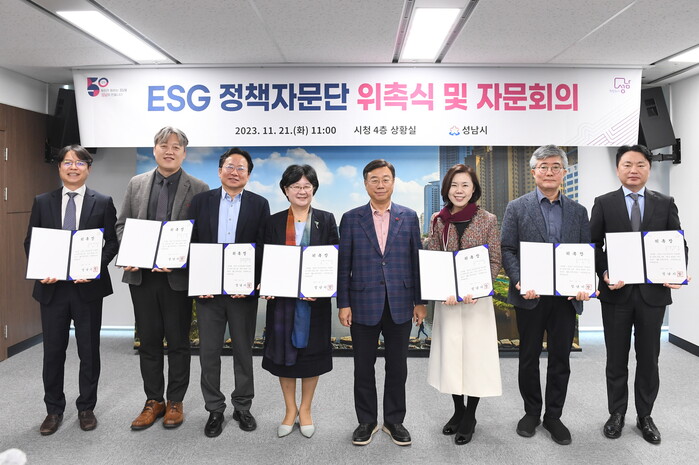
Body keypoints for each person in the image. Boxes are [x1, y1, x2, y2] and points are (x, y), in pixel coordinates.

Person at [590, 144, 688, 445]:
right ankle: (616, 413)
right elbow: (593, 245)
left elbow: (677, 242)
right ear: (618, 169)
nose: (634, 170)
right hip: (616, 294)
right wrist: (604, 272)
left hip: (652, 295)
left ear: (649, 168)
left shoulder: (665, 203)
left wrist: (677, 271)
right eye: (628, 164)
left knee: (649, 359)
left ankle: (645, 415)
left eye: (640, 164)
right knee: (616, 358)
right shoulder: (604, 203)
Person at [116, 127, 209, 430]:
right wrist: (131, 251)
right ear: (154, 149)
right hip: (141, 277)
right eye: (164, 145)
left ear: (184, 153)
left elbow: (202, 234)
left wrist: (181, 259)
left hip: (177, 279)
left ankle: (175, 401)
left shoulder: (199, 187)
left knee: (179, 342)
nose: (170, 151)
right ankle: (153, 400)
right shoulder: (136, 183)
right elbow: (121, 225)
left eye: (176, 146)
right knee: (149, 342)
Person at [500, 144, 592, 445]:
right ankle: (531, 412)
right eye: (543, 167)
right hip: (530, 295)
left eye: (555, 167)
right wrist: (518, 280)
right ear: (533, 172)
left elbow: (585, 252)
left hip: (565, 300)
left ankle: (554, 416)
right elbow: (507, 248)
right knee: (528, 356)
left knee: (560, 358)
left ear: (564, 172)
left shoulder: (578, 211)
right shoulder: (517, 207)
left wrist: (584, 283)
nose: (549, 172)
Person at [24, 145, 118, 435]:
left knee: (89, 351)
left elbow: (112, 243)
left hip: (87, 289)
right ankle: (53, 410)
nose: (73, 167)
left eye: (79, 163)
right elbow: (31, 242)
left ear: (88, 168)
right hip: (52, 290)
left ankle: (86, 408)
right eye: (67, 162)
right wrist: (41, 270)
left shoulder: (103, 202)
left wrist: (94, 267)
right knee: (53, 352)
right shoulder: (43, 201)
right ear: (59, 167)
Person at [337, 159, 426, 447]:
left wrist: (420, 301)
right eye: (374, 179)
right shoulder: (351, 218)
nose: (380, 184)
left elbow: (417, 261)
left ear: (393, 182)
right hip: (362, 302)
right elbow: (343, 265)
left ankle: (394, 420)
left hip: (401, 302)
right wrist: (343, 303)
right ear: (365, 184)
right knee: (363, 366)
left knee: (397, 366)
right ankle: (366, 421)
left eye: (385, 179)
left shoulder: (408, 217)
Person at [188, 148, 270, 438]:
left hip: (241, 293)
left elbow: (262, 246)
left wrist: (253, 282)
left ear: (248, 175)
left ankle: (242, 406)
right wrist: (199, 282)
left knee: (243, 351)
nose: (235, 172)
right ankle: (214, 408)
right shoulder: (201, 201)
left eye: (241, 168)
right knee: (208, 352)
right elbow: (191, 242)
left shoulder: (259, 204)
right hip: (208, 293)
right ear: (220, 170)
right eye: (230, 166)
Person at [423, 164, 502, 445]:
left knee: (475, 358)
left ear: (474, 189)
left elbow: (495, 260)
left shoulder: (488, 219)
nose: (459, 190)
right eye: (454, 185)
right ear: (447, 189)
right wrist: (441, 289)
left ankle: (470, 415)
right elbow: (434, 258)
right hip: (448, 302)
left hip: (476, 304)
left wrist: (477, 289)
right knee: (451, 357)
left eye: (465, 185)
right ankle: (458, 410)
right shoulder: (438, 220)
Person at [260, 164, 338, 439]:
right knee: (283, 357)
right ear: (286, 190)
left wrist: (325, 286)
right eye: (296, 186)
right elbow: (264, 259)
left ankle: (305, 409)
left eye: (307, 186)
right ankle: (289, 409)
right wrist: (265, 283)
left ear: (314, 189)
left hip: (314, 303)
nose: (302, 191)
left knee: (312, 357)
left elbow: (335, 258)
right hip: (282, 304)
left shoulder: (326, 220)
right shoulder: (273, 221)